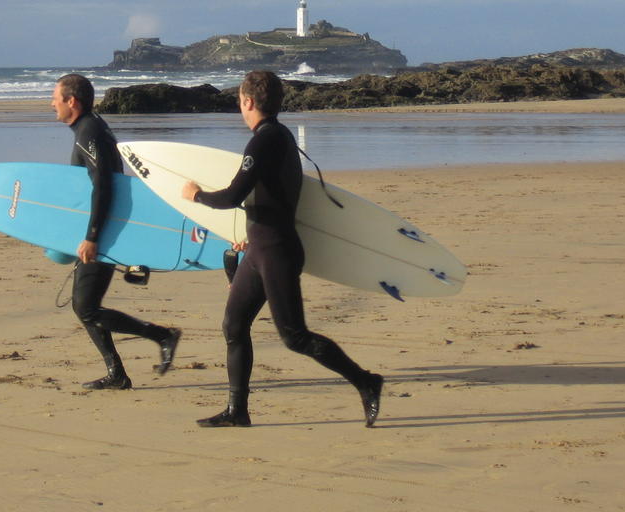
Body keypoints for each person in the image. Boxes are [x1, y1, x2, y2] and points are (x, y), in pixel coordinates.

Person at [182, 70, 384, 427]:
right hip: (259, 249)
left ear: (247, 101)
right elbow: (265, 196)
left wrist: (195, 195)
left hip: (276, 251)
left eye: (240, 102)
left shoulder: (265, 140)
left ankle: (366, 381)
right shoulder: (276, 136)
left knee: (294, 336)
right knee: (233, 325)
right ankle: (237, 410)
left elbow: (232, 196)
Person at [51, 73, 181, 390]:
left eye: (56, 97)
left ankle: (159, 336)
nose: (51, 103)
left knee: (86, 307)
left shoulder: (89, 131)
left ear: (72, 101)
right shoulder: (90, 127)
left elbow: (104, 185)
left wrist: (93, 236)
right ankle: (117, 373)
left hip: (106, 230)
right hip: (105, 226)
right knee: (86, 306)